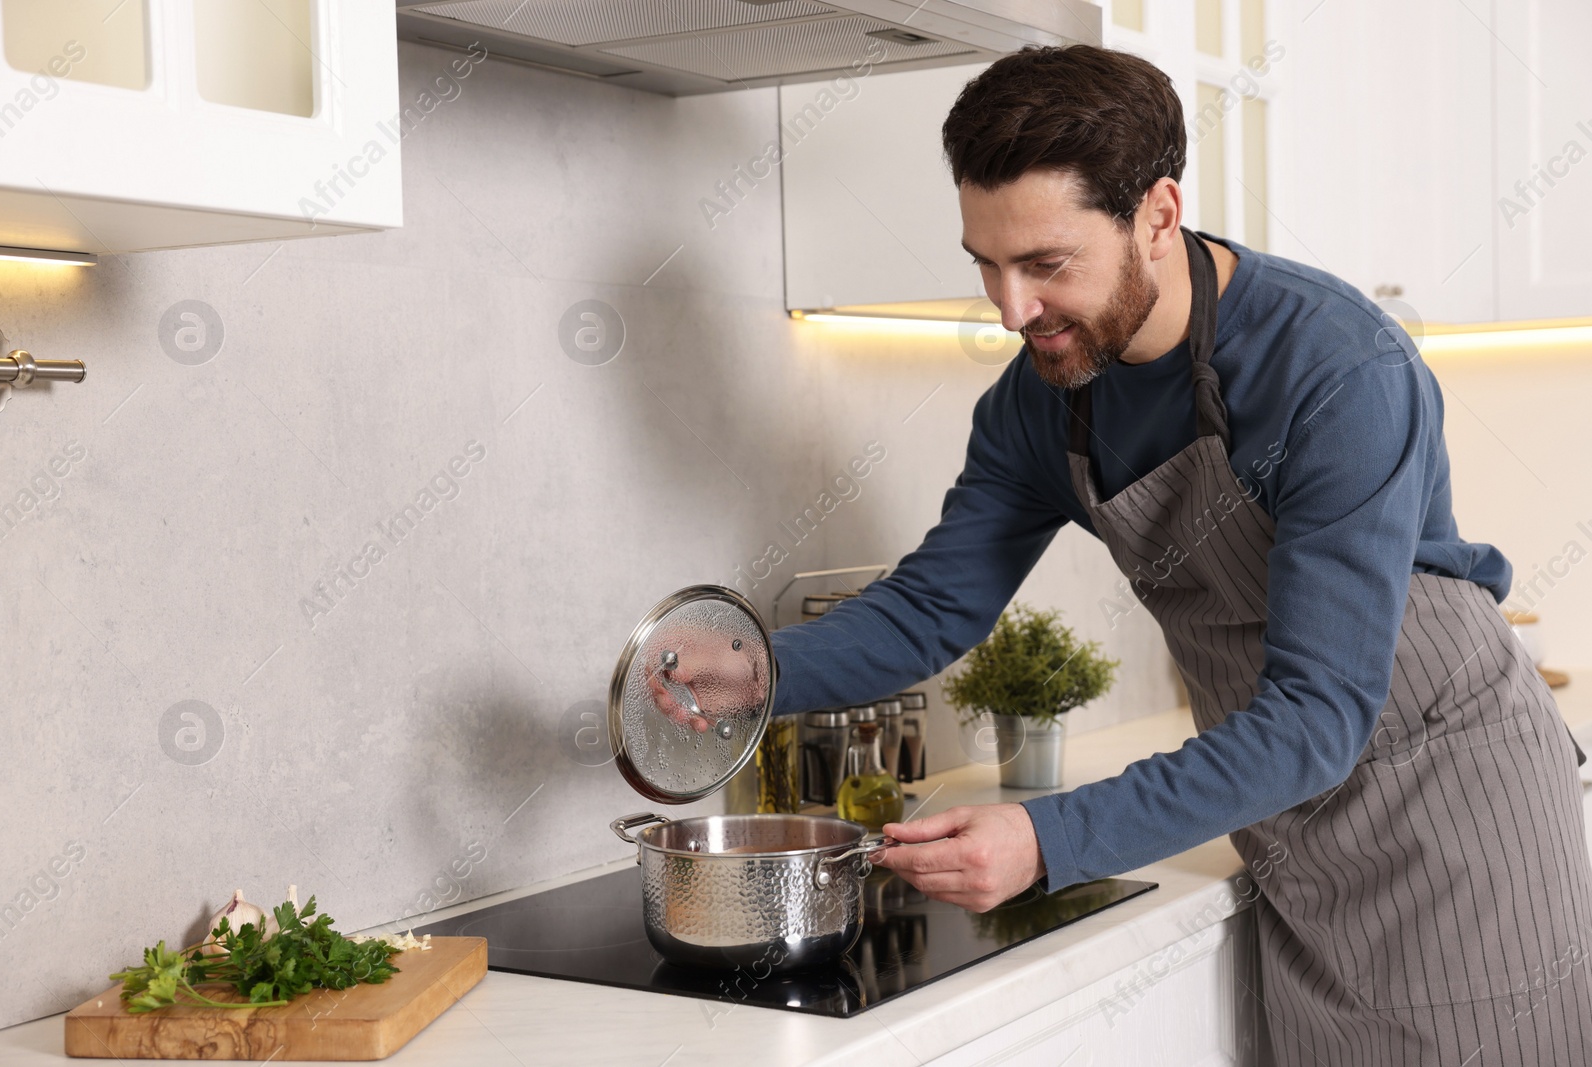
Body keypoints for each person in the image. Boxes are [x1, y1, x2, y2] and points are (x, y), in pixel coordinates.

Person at [650, 45, 1592, 1065]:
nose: (1011, 309)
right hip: (1285, 813)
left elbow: (1320, 712)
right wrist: (760, 673)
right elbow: (933, 606)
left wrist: (1050, 838)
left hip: (1452, 812)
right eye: (984, 262)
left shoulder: (1334, 367)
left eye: (1046, 265)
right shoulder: (1037, 400)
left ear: (1156, 213)